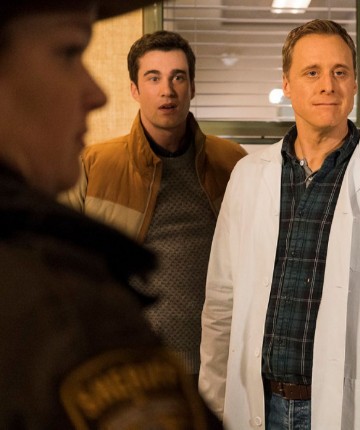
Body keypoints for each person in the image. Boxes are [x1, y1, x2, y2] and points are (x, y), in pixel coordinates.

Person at [199, 19, 360, 429]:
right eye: (312, 72)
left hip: (352, 409)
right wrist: (211, 404)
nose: (328, 86)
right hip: (258, 403)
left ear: (355, 84)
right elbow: (220, 303)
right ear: (287, 83)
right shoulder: (248, 176)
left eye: (340, 72)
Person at [0, 1, 215, 429]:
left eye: (178, 77)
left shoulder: (230, 164)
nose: (96, 94)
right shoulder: (60, 305)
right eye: (68, 52)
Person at [62, 30, 247, 378]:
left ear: (192, 86)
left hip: (219, 369)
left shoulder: (233, 162)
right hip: (131, 368)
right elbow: (63, 271)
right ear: (134, 89)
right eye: (153, 78)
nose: (167, 90)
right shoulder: (94, 164)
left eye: (178, 77)